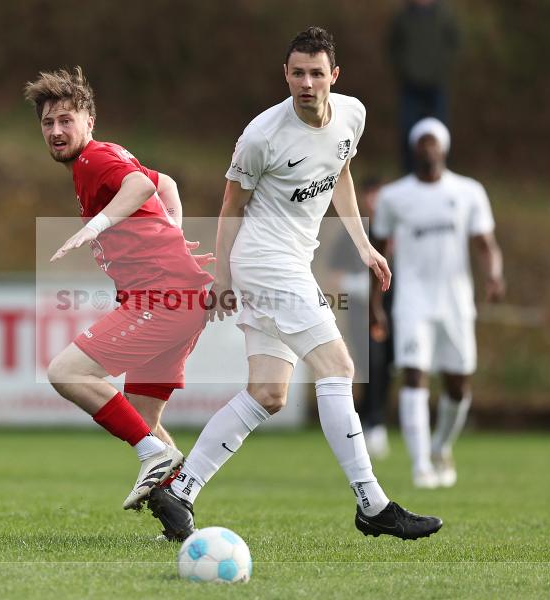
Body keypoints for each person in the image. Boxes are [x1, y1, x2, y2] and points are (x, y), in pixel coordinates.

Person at [146, 27, 442, 542]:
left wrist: (364, 243)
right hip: (264, 262)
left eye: (316, 73)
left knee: (267, 393)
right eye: (297, 73)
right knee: (339, 365)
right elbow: (230, 206)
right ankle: (372, 503)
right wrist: (222, 278)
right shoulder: (261, 135)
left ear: (334, 76)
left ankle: (180, 490)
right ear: (285, 74)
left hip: (291, 264)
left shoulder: (353, 114)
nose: (306, 83)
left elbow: (341, 173)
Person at [24, 68, 214, 510]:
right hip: (180, 297)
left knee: (66, 372)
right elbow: (163, 182)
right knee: (143, 418)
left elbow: (142, 184)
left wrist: (98, 225)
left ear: (89, 121)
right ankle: (180, 517)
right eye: (48, 123)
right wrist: (173, 234)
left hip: (163, 299)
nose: (56, 131)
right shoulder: (99, 159)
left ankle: (156, 456)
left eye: (66, 120)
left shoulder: (94, 159)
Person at [371, 117, 504, 488]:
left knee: (458, 384)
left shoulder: (468, 192)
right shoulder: (394, 197)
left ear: (444, 148)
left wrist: (494, 274)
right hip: (413, 299)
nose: (428, 148)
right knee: (414, 375)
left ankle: (440, 446)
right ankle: (420, 466)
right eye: (422, 143)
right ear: (414, 149)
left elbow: (485, 244)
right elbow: (376, 252)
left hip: (456, 301)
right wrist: (375, 303)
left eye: (434, 142)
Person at [326, 177, 393, 459]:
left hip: (396, 308)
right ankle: (372, 423)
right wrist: (362, 287)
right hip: (361, 310)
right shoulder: (352, 233)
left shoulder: (397, 231)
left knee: (389, 364)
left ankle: (371, 417)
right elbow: (335, 276)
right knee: (371, 362)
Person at [387, 0, 460, 172]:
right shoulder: (402, 17)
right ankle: (409, 174)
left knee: (440, 132)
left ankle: (440, 173)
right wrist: (404, 70)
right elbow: (392, 47)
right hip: (409, 86)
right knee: (408, 132)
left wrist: (441, 68)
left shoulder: (444, 15)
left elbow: (454, 44)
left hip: (437, 86)